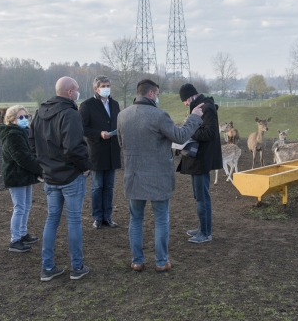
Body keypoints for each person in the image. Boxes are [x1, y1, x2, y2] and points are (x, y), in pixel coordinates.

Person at [117, 79, 203, 272]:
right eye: (157, 94)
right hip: (158, 177)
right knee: (161, 220)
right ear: (150, 94)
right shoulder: (159, 115)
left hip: (133, 175)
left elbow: (121, 143)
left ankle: (137, 260)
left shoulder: (122, 116)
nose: (158, 97)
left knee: (136, 220)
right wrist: (194, 117)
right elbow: (180, 137)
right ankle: (161, 261)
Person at [29, 77, 93, 282]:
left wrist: (44, 165)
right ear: (69, 92)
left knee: (52, 219)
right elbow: (74, 147)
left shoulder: (39, 113)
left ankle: (46, 267)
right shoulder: (70, 113)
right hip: (71, 175)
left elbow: (31, 142)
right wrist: (85, 167)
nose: (78, 93)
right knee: (73, 220)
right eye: (77, 89)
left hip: (50, 176)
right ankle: (77, 267)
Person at [177, 83, 222, 244]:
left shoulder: (207, 108)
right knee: (199, 196)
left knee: (203, 197)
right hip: (197, 158)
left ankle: (205, 232)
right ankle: (202, 227)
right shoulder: (200, 107)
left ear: (190, 97)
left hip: (202, 159)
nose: (185, 104)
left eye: (185, 101)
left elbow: (210, 133)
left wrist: (189, 132)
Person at [0, 105, 43, 253]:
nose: (24, 120)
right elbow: (23, 157)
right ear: (11, 120)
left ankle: (23, 233)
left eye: (26, 117)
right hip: (16, 175)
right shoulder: (13, 135)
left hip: (24, 176)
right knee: (19, 208)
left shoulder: (22, 133)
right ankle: (15, 239)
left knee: (26, 205)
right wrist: (41, 170)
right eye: (20, 117)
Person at [79, 75, 121, 229]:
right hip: (97, 150)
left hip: (113, 150)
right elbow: (82, 128)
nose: (106, 88)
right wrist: (99, 133)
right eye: (103, 86)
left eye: (108, 85)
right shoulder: (87, 105)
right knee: (97, 186)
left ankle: (107, 216)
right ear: (96, 89)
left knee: (109, 187)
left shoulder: (115, 104)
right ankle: (97, 217)